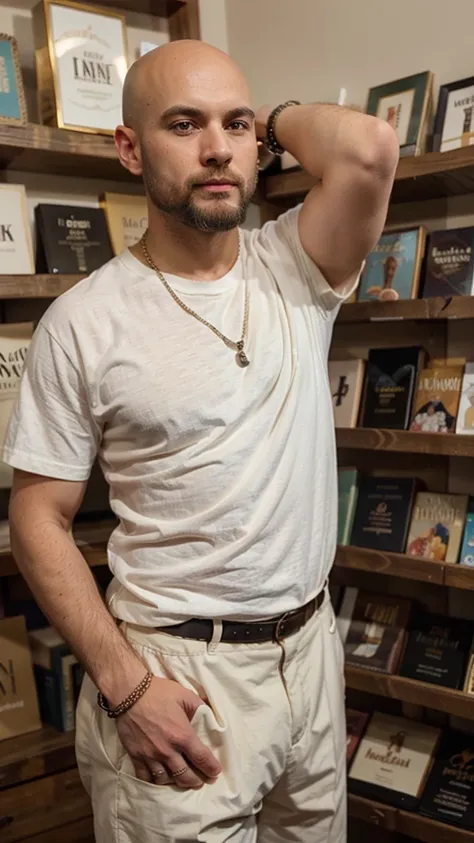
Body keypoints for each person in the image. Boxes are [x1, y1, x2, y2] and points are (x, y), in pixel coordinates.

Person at [3, 40, 398, 843]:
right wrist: (125, 689)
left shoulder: (297, 263)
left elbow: (369, 150)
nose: (218, 148)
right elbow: (37, 519)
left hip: (311, 654)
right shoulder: (83, 322)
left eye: (236, 125)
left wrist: (275, 118)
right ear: (129, 148)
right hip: (178, 671)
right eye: (184, 124)